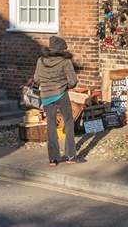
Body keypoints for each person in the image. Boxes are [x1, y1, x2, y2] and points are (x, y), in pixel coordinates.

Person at [35, 36, 79, 166]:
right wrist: (65, 86)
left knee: (51, 125)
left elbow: (36, 79)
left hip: (46, 96)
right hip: (61, 94)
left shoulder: (40, 60)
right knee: (69, 122)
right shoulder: (65, 61)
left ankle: (53, 159)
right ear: (62, 49)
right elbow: (73, 81)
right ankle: (70, 155)